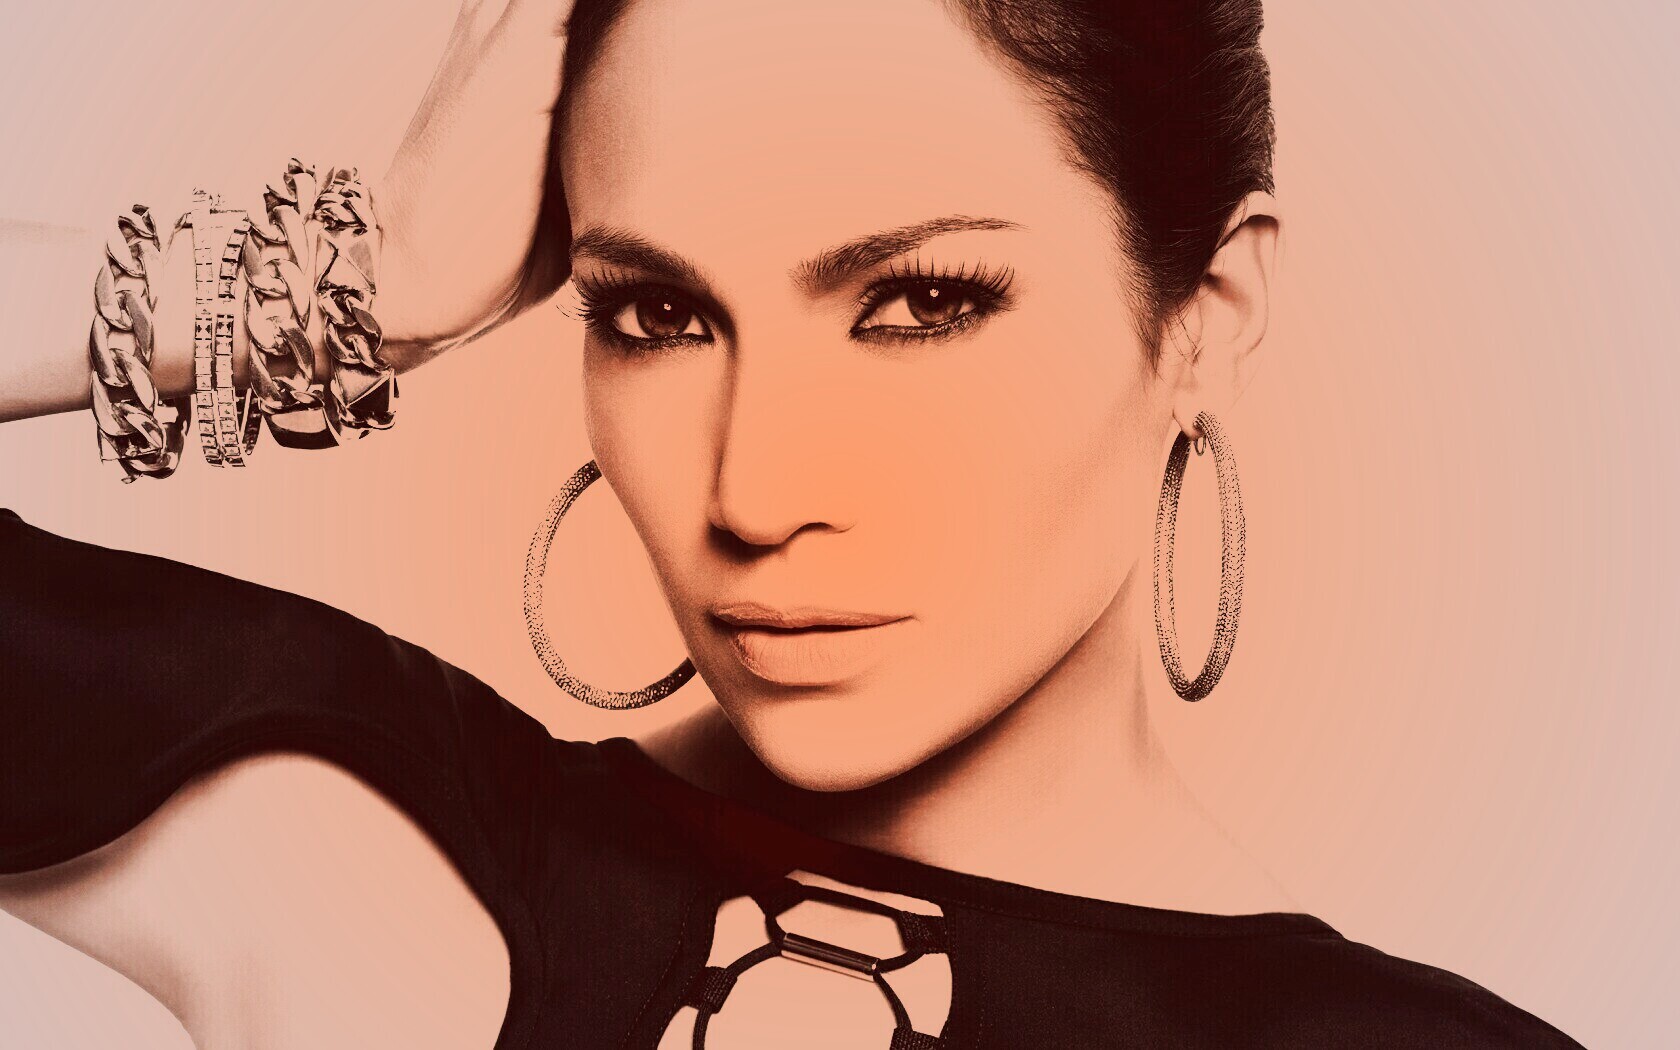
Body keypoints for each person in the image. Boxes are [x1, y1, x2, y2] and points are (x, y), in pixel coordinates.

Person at [0, 0, 1586, 1046]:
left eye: (922, 303)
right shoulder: (373, 854)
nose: (753, 493)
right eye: (658, 314)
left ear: (1204, 315)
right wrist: (346, 283)